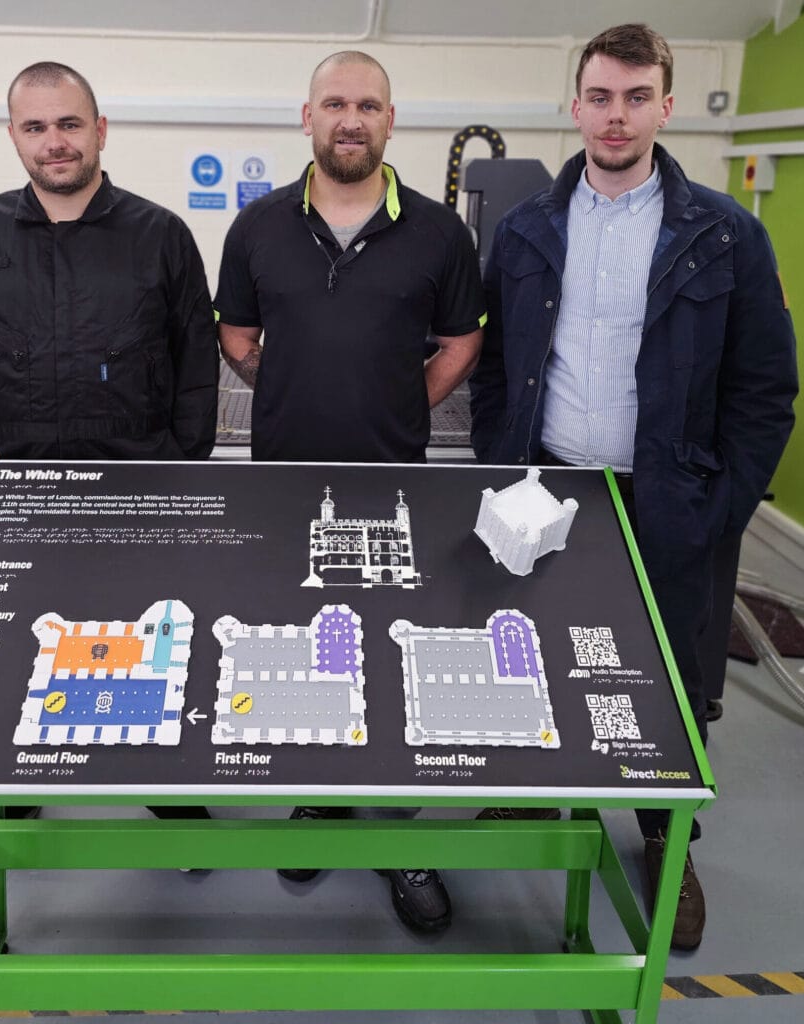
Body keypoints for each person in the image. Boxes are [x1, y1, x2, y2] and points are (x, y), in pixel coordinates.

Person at [469, 24, 797, 950]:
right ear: (576, 106)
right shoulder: (530, 225)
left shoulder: (725, 235)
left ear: (666, 104)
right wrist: (508, 460)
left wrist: (722, 507)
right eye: (601, 97)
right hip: (552, 486)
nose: (618, 116)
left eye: (637, 96)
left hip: (670, 496)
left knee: (671, 680)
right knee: (532, 650)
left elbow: (766, 388)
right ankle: (531, 799)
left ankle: (665, 836)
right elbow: (498, 364)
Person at [0, 61, 219, 879]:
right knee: (17, 652)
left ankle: (165, 782)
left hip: (135, 483)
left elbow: (196, 367)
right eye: (36, 127)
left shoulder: (160, 236)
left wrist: (183, 477)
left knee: (142, 645)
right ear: (14, 135)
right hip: (16, 490)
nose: (55, 142)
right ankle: (5, 797)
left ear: (100, 129)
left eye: (70, 124)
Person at [214, 50, 485, 934]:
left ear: (390, 120)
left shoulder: (442, 234)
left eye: (368, 104)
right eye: (335, 103)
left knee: (390, 653)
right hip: (282, 489)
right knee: (306, 651)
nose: (351, 119)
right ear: (307, 116)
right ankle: (317, 803)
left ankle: (398, 830)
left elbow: (459, 344)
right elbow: (238, 333)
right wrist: (290, 388)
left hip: (393, 486)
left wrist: (400, 404)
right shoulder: (256, 228)